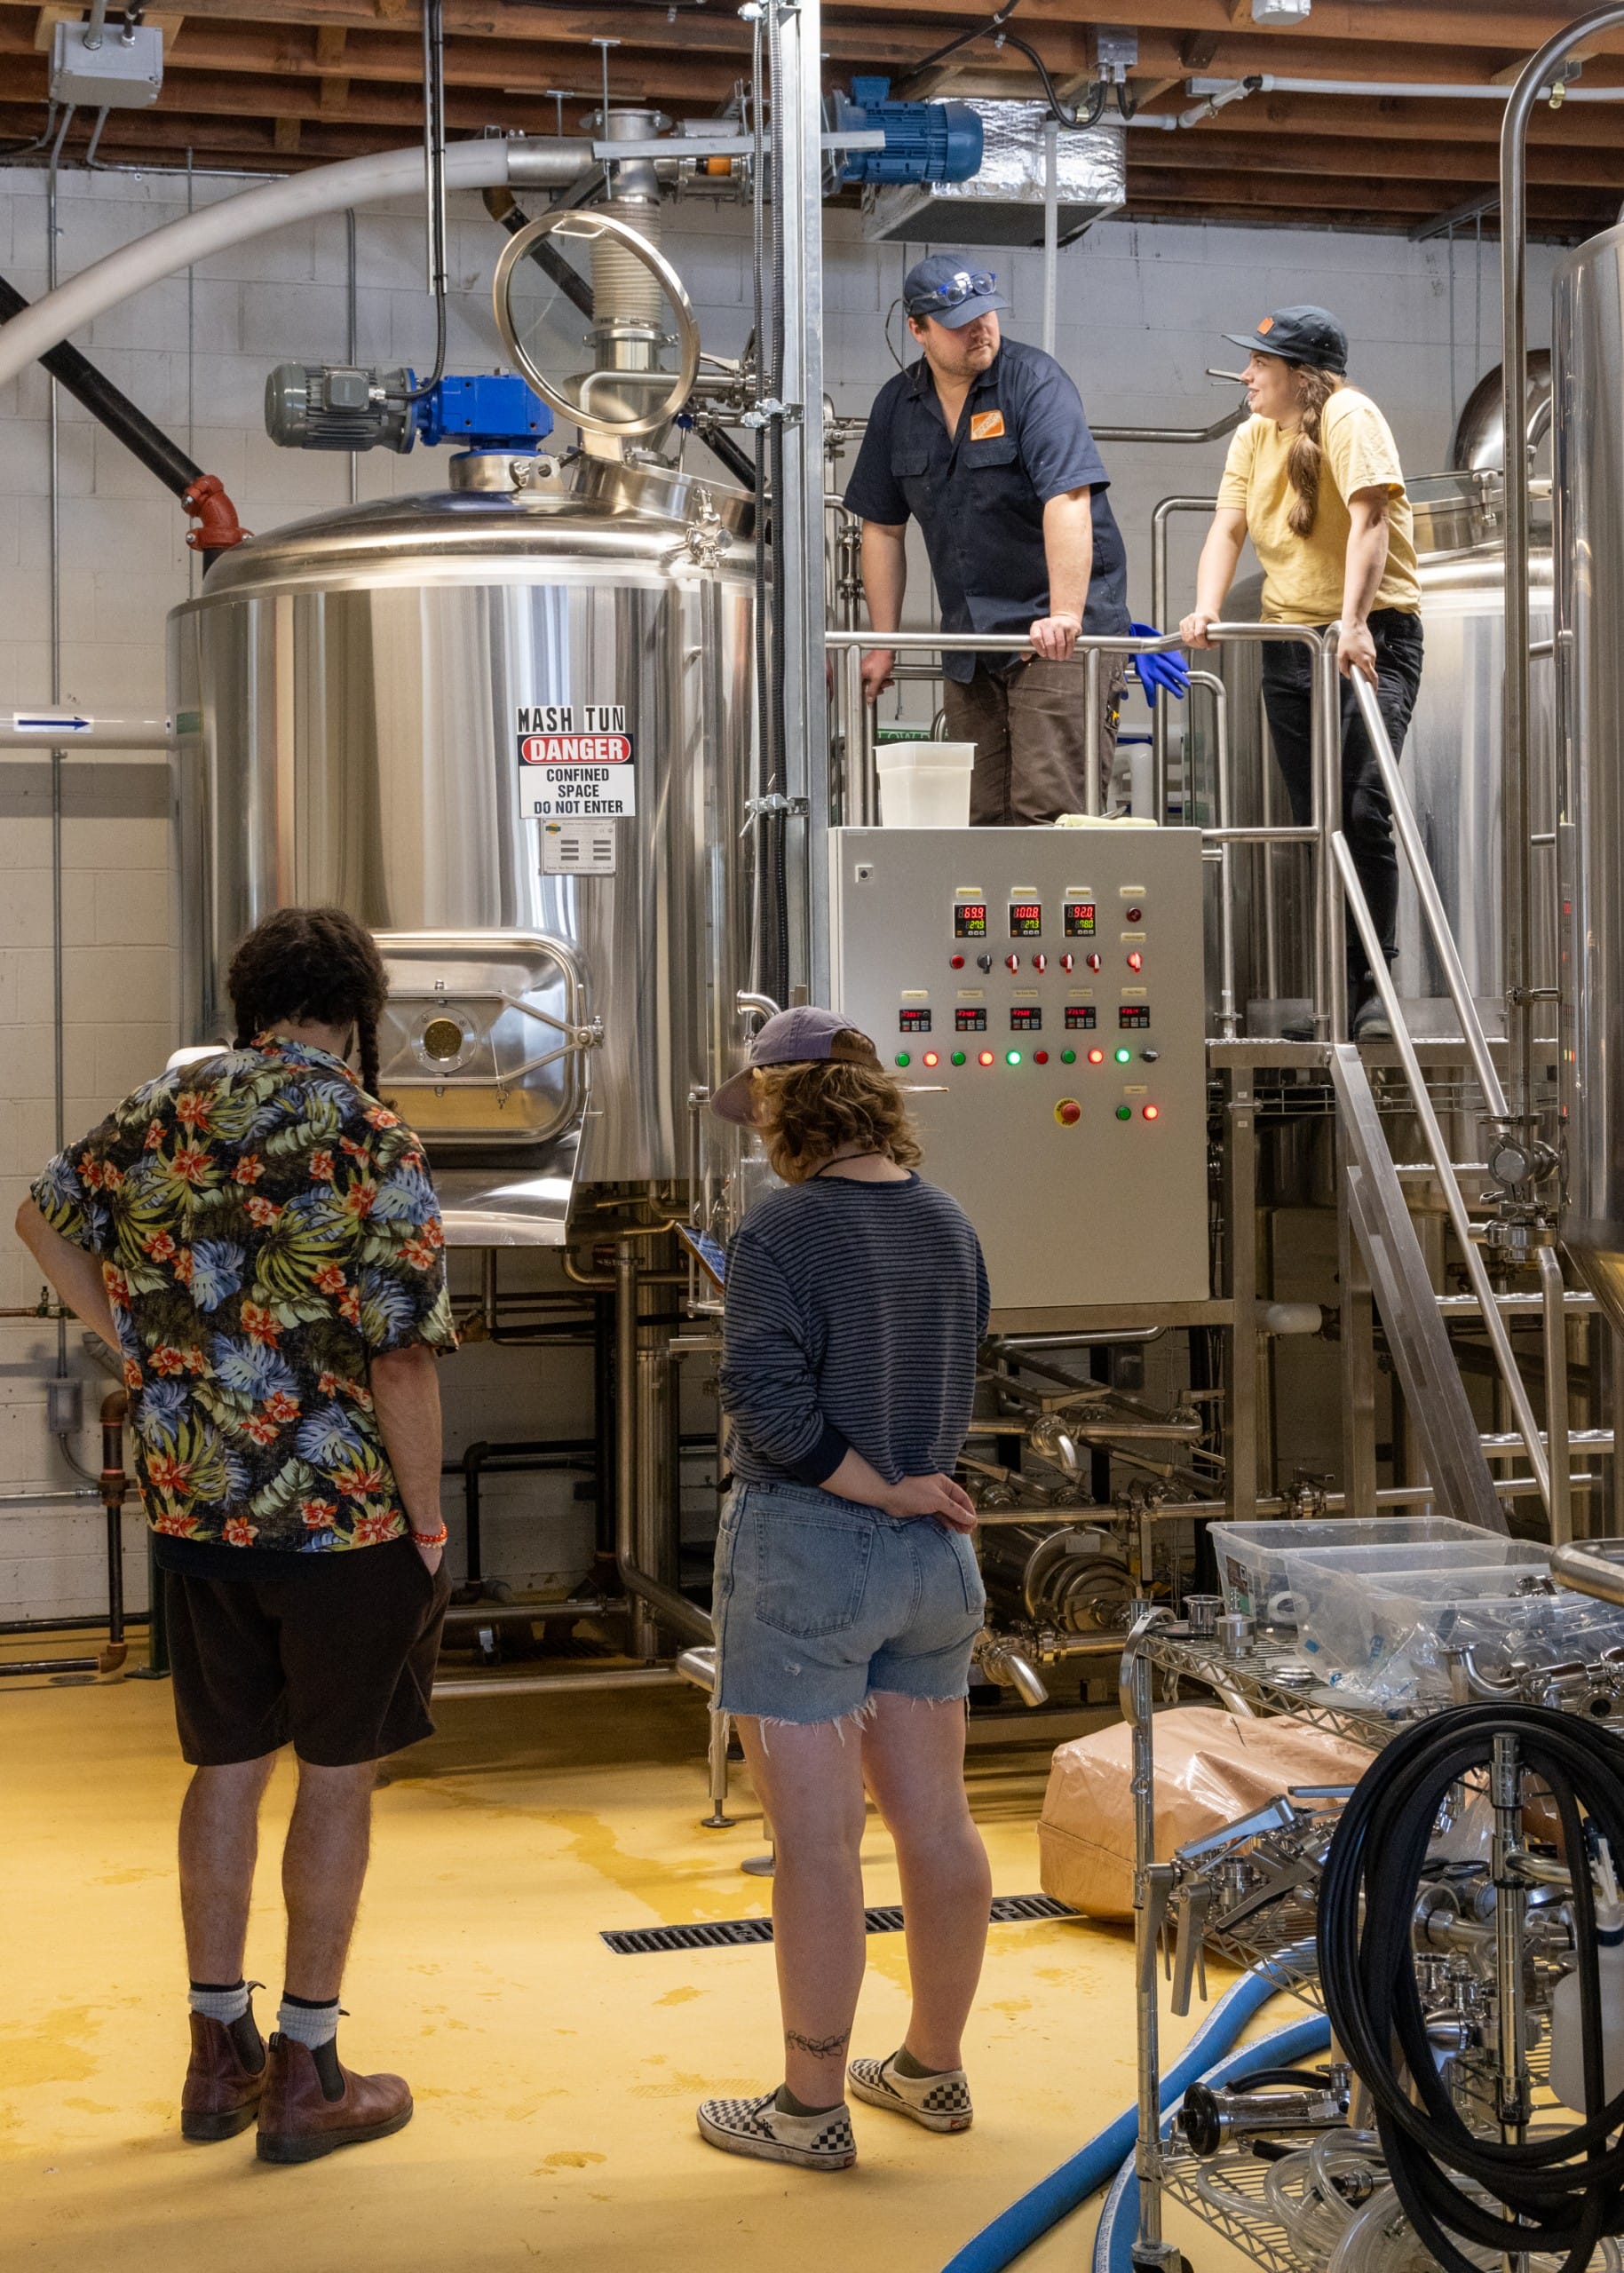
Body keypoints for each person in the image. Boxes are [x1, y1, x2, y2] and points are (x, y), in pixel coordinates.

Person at [15, 907, 458, 2164]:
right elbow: (404, 1355)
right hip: (345, 1523)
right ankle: (310, 2072)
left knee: (223, 1769)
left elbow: (39, 1219)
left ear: (249, 1001)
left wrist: (132, 1340)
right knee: (336, 1777)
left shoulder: (160, 1114)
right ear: (354, 1013)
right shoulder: (372, 1133)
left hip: (198, 1504)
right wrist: (424, 1521)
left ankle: (219, 2057)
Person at [693, 1008, 992, 2174]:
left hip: (812, 1549)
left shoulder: (781, 1229)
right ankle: (932, 2069)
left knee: (817, 1846)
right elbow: (955, 1361)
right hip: (933, 1568)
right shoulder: (947, 1219)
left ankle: (808, 2109)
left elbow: (766, 1403)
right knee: (937, 1823)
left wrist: (877, 1488)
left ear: (783, 1108)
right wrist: (913, 1487)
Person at [1179, 305, 1424, 1042]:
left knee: (1359, 809)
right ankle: (1333, 996)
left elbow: (1370, 519)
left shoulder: (1349, 417)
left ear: (1299, 375)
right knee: (1315, 823)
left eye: (1260, 363)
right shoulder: (1254, 435)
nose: (1247, 374)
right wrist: (1204, 610)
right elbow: (1226, 526)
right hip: (1290, 645)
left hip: (1370, 635)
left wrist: (1351, 623)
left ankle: (1376, 987)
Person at [844, 253, 1137, 826]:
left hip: (1055, 636)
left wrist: (1065, 615)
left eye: (987, 313)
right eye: (959, 320)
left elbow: (1068, 498)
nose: (980, 328)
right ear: (918, 330)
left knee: (1049, 815)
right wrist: (883, 642)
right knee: (975, 819)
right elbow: (881, 526)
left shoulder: (1034, 382)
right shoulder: (896, 406)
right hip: (973, 644)